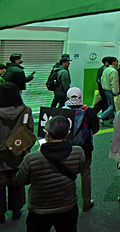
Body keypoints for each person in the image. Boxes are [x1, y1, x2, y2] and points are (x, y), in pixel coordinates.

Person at [17, 116, 89, 232]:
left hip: (39, 209)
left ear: (47, 134)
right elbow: (84, 175)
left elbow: (21, 180)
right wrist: (87, 199)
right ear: (67, 133)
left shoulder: (32, 158)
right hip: (67, 206)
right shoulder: (78, 152)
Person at [0, 83, 33, 224]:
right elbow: (29, 131)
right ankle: (16, 211)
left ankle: (0, 215)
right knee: (17, 184)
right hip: (17, 154)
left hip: (0, 156)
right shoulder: (26, 110)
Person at [63, 87, 98, 212]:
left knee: (66, 174)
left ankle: (66, 202)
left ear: (67, 98)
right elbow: (96, 129)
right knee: (85, 174)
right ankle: (86, 202)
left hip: (66, 149)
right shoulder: (89, 111)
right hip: (85, 148)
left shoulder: (61, 111)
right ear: (80, 97)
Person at [100, 57, 120, 125]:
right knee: (113, 106)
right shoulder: (114, 71)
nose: (117, 63)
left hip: (106, 90)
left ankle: (112, 119)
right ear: (113, 62)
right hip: (111, 90)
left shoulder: (106, 70)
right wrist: (116, 92)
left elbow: (102, 80)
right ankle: (102, 116)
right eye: (116, 61)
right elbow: (114, 83)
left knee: (110, 105)